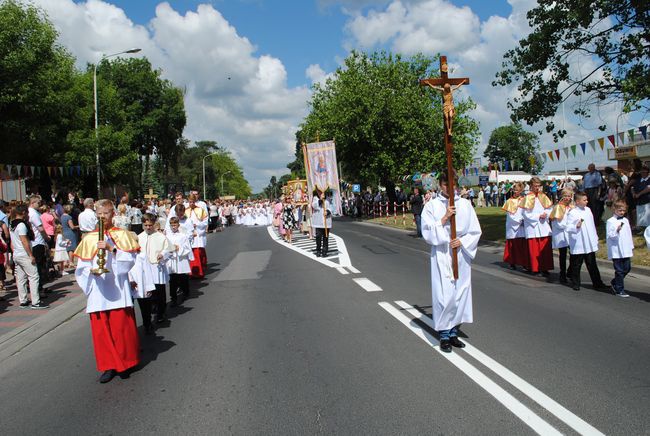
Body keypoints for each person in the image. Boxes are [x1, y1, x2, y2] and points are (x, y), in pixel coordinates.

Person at [72, 199, 140, 383]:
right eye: (99, 214)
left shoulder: (122, 234)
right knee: (102, 331)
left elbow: (130, 261)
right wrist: (90, 274)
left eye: (106, 213)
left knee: (121, 329)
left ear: (113, 214)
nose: (102, 217)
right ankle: (109, 366)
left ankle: (126, 362)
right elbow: (81, 266)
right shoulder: (89, 238)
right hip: (98, 289)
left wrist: (112, 249)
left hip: (117, 285)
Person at [421, 171, 481, 353]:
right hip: (442, 253)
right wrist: (445, 218)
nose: (450, 187)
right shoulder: (432, 206)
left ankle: (454, 330)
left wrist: (462, 241)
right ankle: (444, 334)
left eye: (453, 184)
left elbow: (475, 230)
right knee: (444, 294)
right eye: (446, 184)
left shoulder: (465, 204)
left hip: (461, 253)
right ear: (440, 184)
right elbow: (427, 231)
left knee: (460, 292)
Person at [137, 214, 174, 328]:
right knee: (148, 292)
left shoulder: (161, 236)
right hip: (144, 269)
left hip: (156, 267)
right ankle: (151, 310)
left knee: (159, 292)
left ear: (154, 224)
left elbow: (169, 250)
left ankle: (160, 313)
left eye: (150, 225)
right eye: (145, 225)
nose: (148, 227)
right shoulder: (139, 237)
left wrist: (162, 254)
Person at [566, 192, 607, 291]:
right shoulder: (572, 212)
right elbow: (568, 227)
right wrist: (576, 226)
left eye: (586, 199)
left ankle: (597, 283)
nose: (587, 201)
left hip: (588, 242)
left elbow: (591, 225)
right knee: (577, 264)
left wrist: (595, 237)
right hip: (578, 242)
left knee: (592, 263)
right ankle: (576, 282)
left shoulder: (588, 210)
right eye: (584, 200)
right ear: (577, 201)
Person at [10, 204, 48, 309]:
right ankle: (36, 302)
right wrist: (31, 255)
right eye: (27, 213)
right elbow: (24, 240)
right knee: (33, 276)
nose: (28, 215)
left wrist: (14, 252)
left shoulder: (12, 224)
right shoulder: (21, 225)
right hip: (24, 254)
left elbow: (12, 242)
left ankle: (23, 300)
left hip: (17, 254)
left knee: (21, 278)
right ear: (23, 213)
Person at [521, 177, 554, 276]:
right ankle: (535, 268)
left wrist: (546, 214)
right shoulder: (527, 197)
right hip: (533, 226)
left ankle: (545, 267)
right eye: (535, 186)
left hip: (543, 225)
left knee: (545, 248)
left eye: (538, 186)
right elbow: (525, 213)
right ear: (531, 186)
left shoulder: (543, 196)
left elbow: (549, 208)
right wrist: (537, 216)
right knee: (534, 249)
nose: (537, 188)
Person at [606, 200, 634, 298]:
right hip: (616, 249)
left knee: (627, 268)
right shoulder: (610, 221)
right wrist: (617, 231)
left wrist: (631, 246)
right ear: (614, 209)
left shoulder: (625, 220)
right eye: (620, 210)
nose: (622, 212)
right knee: (619, 270)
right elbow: (610, 236)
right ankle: (619, 289)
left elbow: (628, 234)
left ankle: (615, 282)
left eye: (623, 211)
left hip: (625, 248)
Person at [166, 216, 193, 305]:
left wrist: (179, 248)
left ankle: (185, 292)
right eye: (172, 225)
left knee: (182, 278)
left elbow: (187, 248)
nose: (173, 227)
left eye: (175, 225)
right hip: (172, 259)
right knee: (172, 279)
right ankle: (173, 298)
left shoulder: (183, 236)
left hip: (181, 259)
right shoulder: (167, 236)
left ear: (178, 225)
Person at [502, 182, 528, 270]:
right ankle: (512, 262)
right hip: (513, 225)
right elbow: (510, 215)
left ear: (521, 191)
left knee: (522, 245)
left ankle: (524, 262)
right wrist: (519, 221)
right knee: (513, 244)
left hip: (523, 225)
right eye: (515, 190)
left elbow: (527, 211)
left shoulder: (524, 200)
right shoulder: (509, 201)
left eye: (518, 190)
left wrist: (525, 220)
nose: (515, 192)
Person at [549, 189, 574, 284]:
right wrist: (569, 226)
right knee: (562, 255)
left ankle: (570, 272)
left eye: (569, 196)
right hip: (561, 234)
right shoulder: (558, 207)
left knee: (574, 254)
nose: (568, 198)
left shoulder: (571, 207)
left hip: (570, 233)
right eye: (566, 196)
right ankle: (562, 274)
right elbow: (559, 224)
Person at [28, 195, 50, 294]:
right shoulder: (33, 213)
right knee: (38, 266)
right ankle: (38, 288)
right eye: (38, 203)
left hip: (35, 242)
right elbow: (40, 228)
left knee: (38, 265)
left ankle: (38, 287)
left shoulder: (31, 212)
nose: (39, 205)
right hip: (37, 242)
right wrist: (46, 237)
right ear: (32, 203)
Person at [186, 194, 209, 279]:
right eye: (189, 202)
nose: (191, 203)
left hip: (198, 234)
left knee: (198, 252)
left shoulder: (201, 210)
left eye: (192, 202)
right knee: (191, 253)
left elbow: (205, 222)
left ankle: (199, 271)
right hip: (189, 234)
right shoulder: (186, 211)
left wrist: (197, 225)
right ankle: (192, 272)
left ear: (195, 201)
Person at [311, 189, 333, 257]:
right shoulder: (315, 198)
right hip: (318, 222)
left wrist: (328, 212)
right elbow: (314, 206)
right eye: (319, 191)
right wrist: (320, 199)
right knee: (318, 237)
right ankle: (318, 250)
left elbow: (331, 207)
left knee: (326, 237)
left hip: (326, 221)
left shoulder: (328, 198)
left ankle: (325, 251)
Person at [61, 204, 78, 269]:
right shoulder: (69, 217)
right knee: (71, 248)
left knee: (67, 247)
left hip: (64, 232)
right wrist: (78, 226)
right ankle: (71, 262)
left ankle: (66, 262)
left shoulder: (62, 216)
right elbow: (72, 227)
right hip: (70, 233)